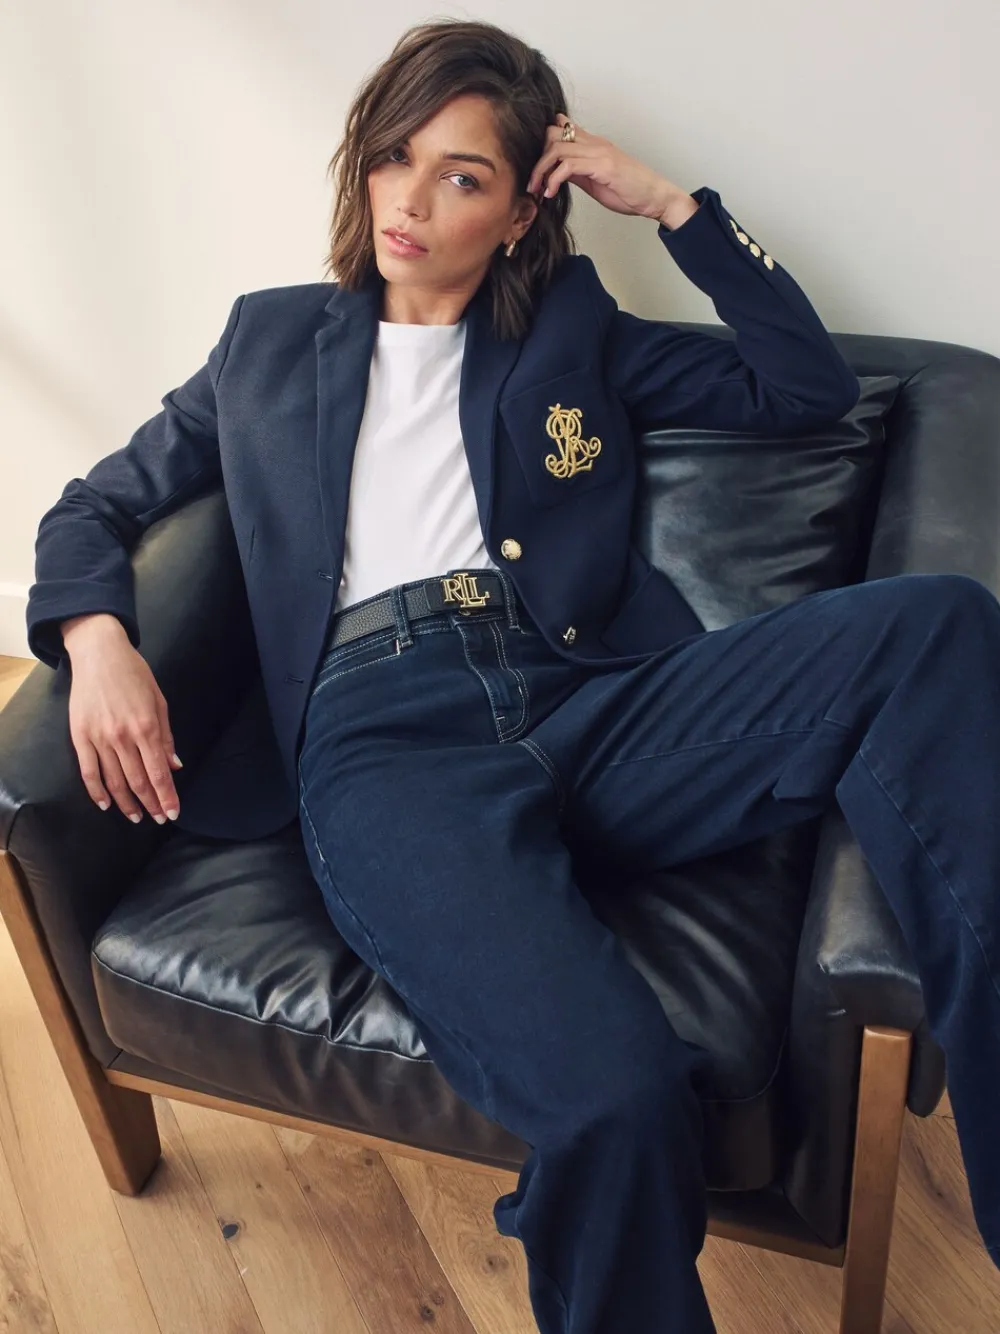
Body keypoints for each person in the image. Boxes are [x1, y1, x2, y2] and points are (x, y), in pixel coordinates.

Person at [26, 17, 1000, 1334]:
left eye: (463, 177)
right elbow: (93, 506)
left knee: (940, 624)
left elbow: (809, 388)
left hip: (592, 699)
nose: (411, 202)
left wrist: (672, 207)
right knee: (616, 1097)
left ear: (523, 210)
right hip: (387, 743)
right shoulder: (267, 343)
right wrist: (97, 641)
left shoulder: (572, 332)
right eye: (395, 157)